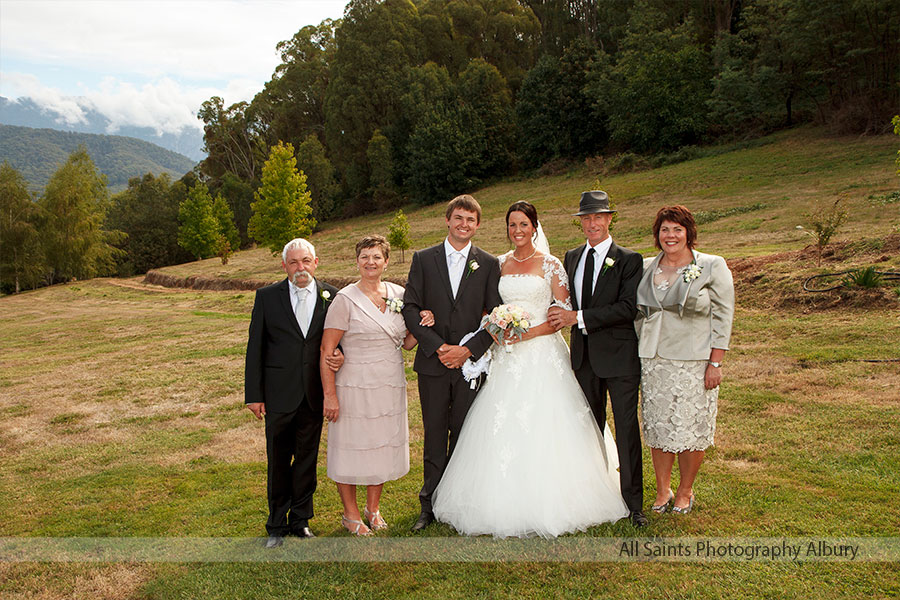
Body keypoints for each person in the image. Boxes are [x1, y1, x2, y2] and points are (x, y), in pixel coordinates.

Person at [432, 201, 630, 538]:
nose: (518, 230)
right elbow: (488, 307)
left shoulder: (551, 264)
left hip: (542, 352)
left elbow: (562, 313)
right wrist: (496, 325)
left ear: (534, 228)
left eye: (524, 224)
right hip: (507, 355)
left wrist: (528, 333)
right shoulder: (499, 263)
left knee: (548, 419)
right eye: (512, 225)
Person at [402, 194, 502, 532]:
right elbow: (410, 308)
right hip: (433, 363)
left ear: (478, 225)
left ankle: (458, 503)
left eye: (470, 220)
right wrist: (438, 346)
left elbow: (497, 316)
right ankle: (429, 505)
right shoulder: (423, 259)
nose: (464, 224)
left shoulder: (488, 263)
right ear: (447, 220)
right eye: (458, 217)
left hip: (470, 366)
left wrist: (468, 350)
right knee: (434, 434)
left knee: (464, 432)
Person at [547, 190, 648, 527]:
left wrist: (578, 318)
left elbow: (627, 308)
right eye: (586, 218)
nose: (592, 223)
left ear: (609, 219)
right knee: (588, 429)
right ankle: (593, 496)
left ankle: (633, 504)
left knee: (626, 429)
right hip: (583, 358)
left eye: (598, 217)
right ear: (581, 222)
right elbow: (563, 300)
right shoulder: (572, 257)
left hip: (619, 360)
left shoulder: (629, 259)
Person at [635, 205, 734, 514]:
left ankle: (685, 490)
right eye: (664, 229)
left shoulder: (711, 265)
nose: (671, 235)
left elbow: (724, 315)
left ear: (689, 233)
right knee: (659, 427)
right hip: (654, 360)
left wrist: (715, 362)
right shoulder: (645, 266)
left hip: (694, 361)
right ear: (657, 234)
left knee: (691, 428)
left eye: (677, 229)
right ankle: (662, 490)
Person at [245, 238, 341, 548]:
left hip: (313, 393)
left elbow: (339, 341)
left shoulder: (333, 297)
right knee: (278, 461)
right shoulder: (267, 297)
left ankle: (301, 520)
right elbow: (255, 348)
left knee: (306, 461)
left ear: (316, 262)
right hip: (278, 394)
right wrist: (254, 394)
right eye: (294, 262)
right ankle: (276, 524)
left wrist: (340, 355)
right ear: (284, 266)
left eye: (306, 261)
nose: (301, 267)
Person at [320, 235, 418, 536]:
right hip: (354, 384)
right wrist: (330, 395)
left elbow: (407, 343)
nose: (370, 262)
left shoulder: (399, 294)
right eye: (365, 256)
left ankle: (372, 509)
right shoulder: (344, 299)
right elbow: (327, 350)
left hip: (389, 382)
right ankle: (350, 514)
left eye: (376, 257)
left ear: (386, 262)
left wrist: (424, 323)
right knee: (350, 446)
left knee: (380, 445)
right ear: (357, 262)